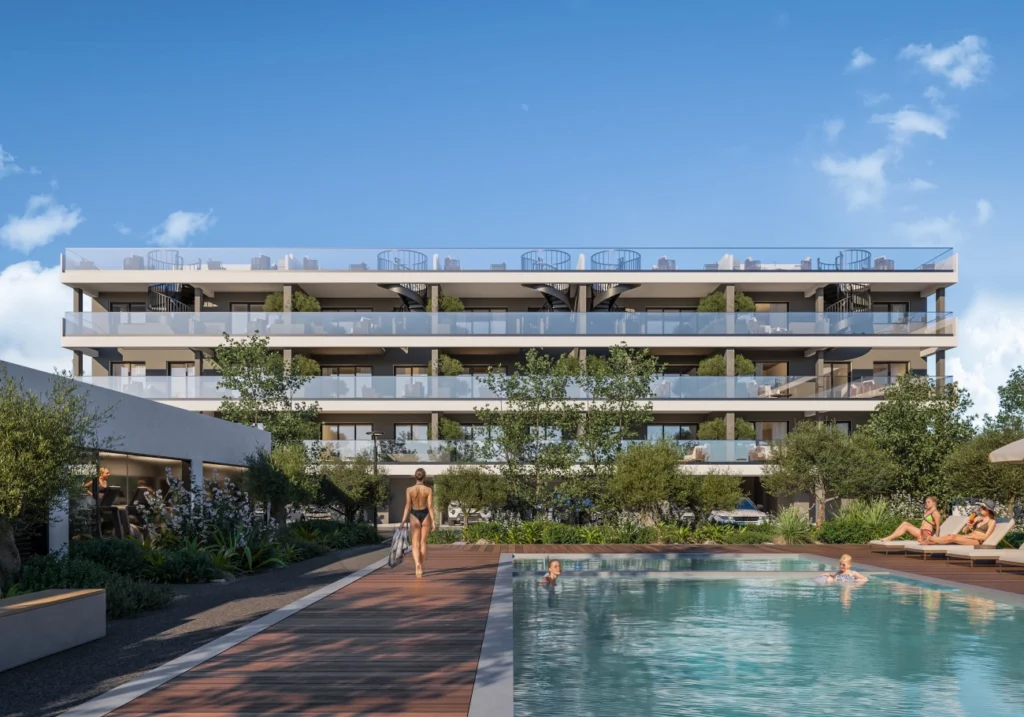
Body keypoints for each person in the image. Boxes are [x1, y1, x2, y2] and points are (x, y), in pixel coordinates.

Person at [400, 468, 436, 578]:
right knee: (423, 542)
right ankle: (421, 565)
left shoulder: (409, 490)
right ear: (424, 477)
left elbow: (407, 506)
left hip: (414, 514)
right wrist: (433, 521)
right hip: (425, 514)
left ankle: (417, 564)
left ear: (415, 477)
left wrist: (402, 522)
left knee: (415, 543)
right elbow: (430, 506)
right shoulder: (428, 490)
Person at [923, 501, 997, 546]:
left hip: (976, 541)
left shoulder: (992, 521)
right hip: (969, 536)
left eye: (984, 508)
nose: (981, 509)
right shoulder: (978, 518)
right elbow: (964, 531)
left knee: (952, 538)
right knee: (949, 535)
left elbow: (985, 537)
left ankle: (929, 538)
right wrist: (968, 526)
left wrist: (972, 537)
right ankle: (931, 542)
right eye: (981, 507)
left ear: (989, 510)